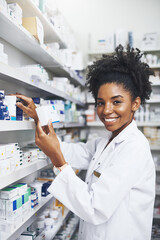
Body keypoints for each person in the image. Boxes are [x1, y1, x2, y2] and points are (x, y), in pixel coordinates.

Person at [16, 45, 155, 240]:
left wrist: (58, 161)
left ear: (135, 104)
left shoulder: (134, 148)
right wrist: (38, 117)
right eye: (100, 102)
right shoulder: (106, 141)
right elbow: (70, 151)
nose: (106, 110)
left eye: (116, 102)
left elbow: (94, 207)